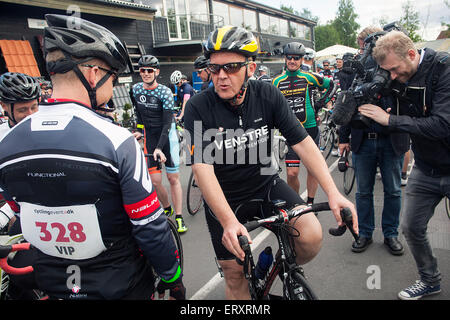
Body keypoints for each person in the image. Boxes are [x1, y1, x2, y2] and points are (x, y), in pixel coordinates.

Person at [0, 14, 185, 300]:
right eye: (113, 76)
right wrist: (173, 278)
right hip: (121, 284)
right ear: (93, 74)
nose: (112, 87)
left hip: (52, 282)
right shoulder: (117, 141)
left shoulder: (7, 143)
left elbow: (19, 210)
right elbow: (149, 227)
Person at [184, 25, 357, 300]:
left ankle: (271, 267)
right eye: (214, 68)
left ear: (250, 69)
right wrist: (229, 221)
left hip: (265, 184)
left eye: (230, 67)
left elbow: (303, 144)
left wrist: (334, 193)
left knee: (311, 237)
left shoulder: (268, 95)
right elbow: (202, 169)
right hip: (224, 199)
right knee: (235, 275)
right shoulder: (197, 106)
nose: (221, 76)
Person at [359, 30, 449, 300]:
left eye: (395, 70)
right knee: (411, 227)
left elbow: (443, 124)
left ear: (411, 54)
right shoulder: (395, 73)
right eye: (388, 72)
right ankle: (430, 280)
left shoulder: (443, 69)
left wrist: (391, 121)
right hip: (425, 167)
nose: (393, 77)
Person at [338, 26, 409, 257]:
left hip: (391, 139)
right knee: (363, 191)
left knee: (394, 190)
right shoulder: (358, 68)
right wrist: (343, 138)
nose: (368, 47)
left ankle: (391, 234)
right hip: (363, 139)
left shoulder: (396, 67)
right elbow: (347, 101)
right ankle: (365, 233)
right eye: (366, 43)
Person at [273, 42, 335, 206]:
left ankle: (310, 203)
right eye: (289, 57)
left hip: (310, 129)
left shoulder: (309, 77)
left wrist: (322, 102)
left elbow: (332, 85)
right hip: (291, 131)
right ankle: (295, 204)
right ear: (285, 59)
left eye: (296, 58)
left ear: (301, 60)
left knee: (312, 169)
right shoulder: (277, 81)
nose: (292, 60)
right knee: (292, 173)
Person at [132, 57, 187, 233]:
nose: (146, 74)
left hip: (167, 137)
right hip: (150, 137)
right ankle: (167, 206)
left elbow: (167, 124)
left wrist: (158, 147)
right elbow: (139, 114)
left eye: (150, 70)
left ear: (157, 72)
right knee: (155, 181)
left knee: (172, 179)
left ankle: (178, 217)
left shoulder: (164, 92)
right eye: (143, 70)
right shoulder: (136, 89)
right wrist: (139, 131)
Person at [0, 72, 41, 231]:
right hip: (10, 200)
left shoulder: (48, 130)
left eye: (34, 107)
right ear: (4, 106)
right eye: (23, 110)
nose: (30, 115)